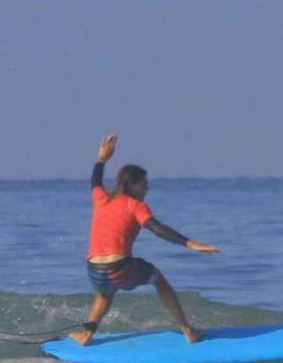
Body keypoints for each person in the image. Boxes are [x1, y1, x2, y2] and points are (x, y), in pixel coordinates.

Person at [70, 134, 218, 345]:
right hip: (119, 267)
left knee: (104, 294)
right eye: (143, 185)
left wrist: (101, 160)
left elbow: (95, 181)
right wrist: (190, 243)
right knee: (159, 280)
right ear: (131, 185)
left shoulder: (102, 199)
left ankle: (86, 335)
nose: (147, 189)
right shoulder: (135, 206)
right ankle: (188, 331)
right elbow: (156, 228)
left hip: (94, 269)